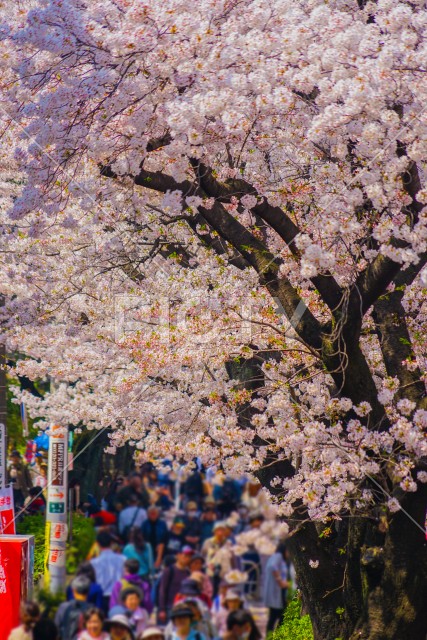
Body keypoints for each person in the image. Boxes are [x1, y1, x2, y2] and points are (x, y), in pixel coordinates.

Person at [90, 531, 126, 614]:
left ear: (98, 544)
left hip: (101, 597)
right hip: (118, 596)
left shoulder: (93, 563)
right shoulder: (123, 559)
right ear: (111, 543)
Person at [158, 546, 193, 624]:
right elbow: (162, 590)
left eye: (189, 557)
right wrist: (162, 609)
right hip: (170, 607)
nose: (187, 559)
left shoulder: (188, 573)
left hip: (183, 608)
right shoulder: (169, 571)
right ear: (178, 555)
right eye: (185, 556)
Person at [263, 541, 290, 633]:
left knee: (276, 613)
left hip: (275, 591)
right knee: (279, 612)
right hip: (276, 591)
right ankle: (275, 632)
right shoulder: (278, 557)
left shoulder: (277, 557)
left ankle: (274, 631)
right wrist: (280, 582)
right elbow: (272, 567)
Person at [202, 523, 235, 595]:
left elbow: (232, 558)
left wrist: (233, 571)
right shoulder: (208, 542)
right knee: (210, 592)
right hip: (211, 572)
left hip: (224, 572)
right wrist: (206, 566)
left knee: (222, 593)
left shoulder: (229, 543)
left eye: (222, 530)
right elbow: (203, 556)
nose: (220, 532)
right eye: (218, 530)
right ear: (214, 531)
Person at [55, 576, 92, 640]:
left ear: (74, 591)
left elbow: (56, 628)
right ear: (88, 591)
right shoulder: (93, 609)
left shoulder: (64, 607)